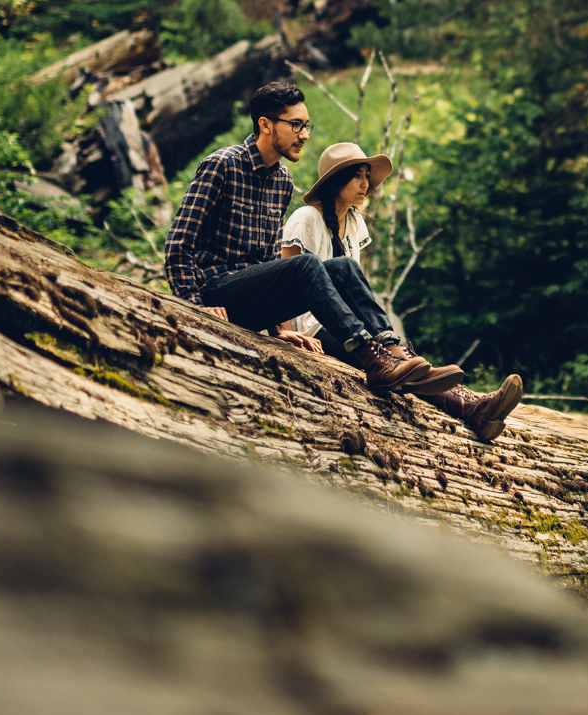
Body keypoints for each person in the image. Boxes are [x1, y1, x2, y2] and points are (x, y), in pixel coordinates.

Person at [164, 80, 459, 396]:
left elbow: (265, 264)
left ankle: (391, 348)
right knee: (305, 264)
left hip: (252, 299)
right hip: (217, 292)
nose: (304, 135)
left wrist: (278, 328)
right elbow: (179, 244)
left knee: (344, 267)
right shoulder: (222, 165)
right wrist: (194, 306)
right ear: (265, 124)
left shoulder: (282, 181)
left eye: (306, 126)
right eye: (295, 125)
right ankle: (371, 357)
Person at [281, 141, 524, 443]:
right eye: (356, 175)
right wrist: (285, 335)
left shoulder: (355, 223)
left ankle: (472, 406)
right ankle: (473, 407)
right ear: (334, 181)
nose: (365, 183)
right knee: (394, 360)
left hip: (352, 330)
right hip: (315, 328)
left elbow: (357, 291)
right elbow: (287, 280)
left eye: (367, 176)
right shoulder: (306, 218)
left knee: (401, 364)